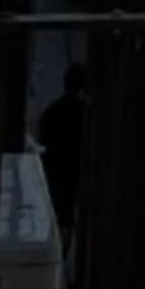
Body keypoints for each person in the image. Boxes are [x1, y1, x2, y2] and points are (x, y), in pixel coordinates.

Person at [37, 61, 87, 230]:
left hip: (55, 170)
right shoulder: (85, 112)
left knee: (58, 214)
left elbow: (43, 138)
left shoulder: (52, 111)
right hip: (75, 171)